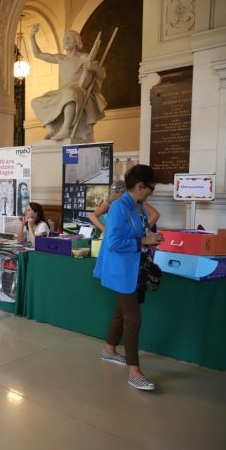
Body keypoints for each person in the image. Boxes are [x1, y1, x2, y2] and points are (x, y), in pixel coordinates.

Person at [94, 164, 164, 391]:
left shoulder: (137, 205)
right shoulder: (119, 208)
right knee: (133, 318)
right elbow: (113, 242)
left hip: (132, 267)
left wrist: (150, 236)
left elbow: (138, 231)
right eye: (151, 188)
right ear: (141, 186)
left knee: (121, 311)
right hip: (120, 269)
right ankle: (134, 371)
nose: (152, 192)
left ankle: (109, 349)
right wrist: (142, 242)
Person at [30, 24, 106, 140]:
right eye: (64, 38)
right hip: (62, 92)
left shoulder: (83, 57)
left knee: (69, 93)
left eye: (68, 38)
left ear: (77, 42)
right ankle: (51, 129)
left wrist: (94, 67)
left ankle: (65, 129)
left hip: (78, 91)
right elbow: (38, 54)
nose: (65, 40)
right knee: (36, 102)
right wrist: (32, 37)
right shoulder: (61, 58)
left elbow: (102, 74)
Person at [90, 181, 160, 235]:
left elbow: (155, 215)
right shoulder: (111, 200)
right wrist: (104, 229)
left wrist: (143, 232)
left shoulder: (136, 200)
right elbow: (92, 216)